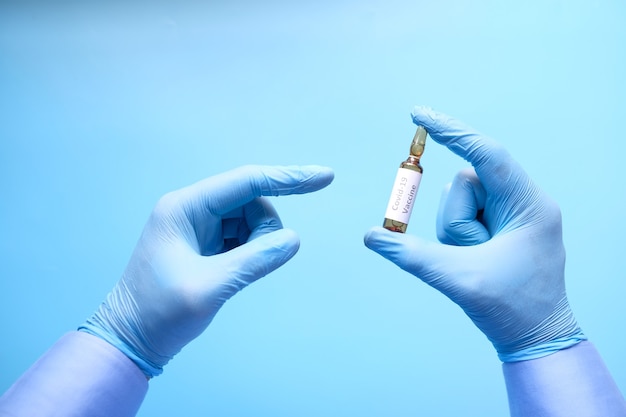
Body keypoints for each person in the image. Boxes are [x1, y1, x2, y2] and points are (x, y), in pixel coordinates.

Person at [0, 107, 624, 417]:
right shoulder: (414, 165)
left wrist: (119, 339)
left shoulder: (411, 168)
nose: (415, 160)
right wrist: (547, 341)